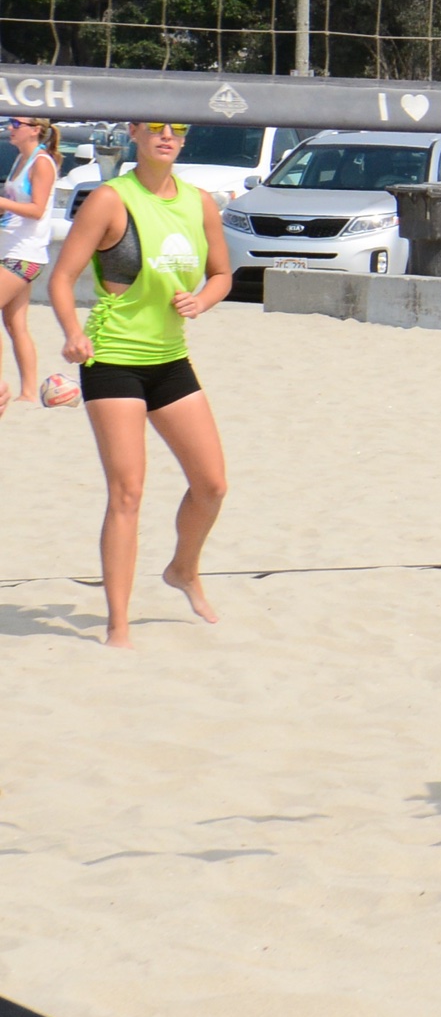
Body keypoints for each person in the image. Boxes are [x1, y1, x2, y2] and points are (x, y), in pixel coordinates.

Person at [47, 120, 231, 648]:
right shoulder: (110, 199)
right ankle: (118, 626)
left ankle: (183, 570)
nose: (166, 136)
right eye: (155, 128)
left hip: (170, 358)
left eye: (176, 129)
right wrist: (73, 333)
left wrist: (204, 300)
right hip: (113, 359)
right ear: (134, 133)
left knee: (212, 484)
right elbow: (62, 277)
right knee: (127, 492)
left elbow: (222, 273)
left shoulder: (201, 203)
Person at [0, 116, 61, 414]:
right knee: (15, 324)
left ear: (35, 129)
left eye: (16, 123)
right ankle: (28, 393)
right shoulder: (21, 160)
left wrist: (2, 204)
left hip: (25, 255)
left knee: (14, 324)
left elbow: (37, 209)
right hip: (10, 250)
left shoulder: (42, 163)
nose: (10, 127)